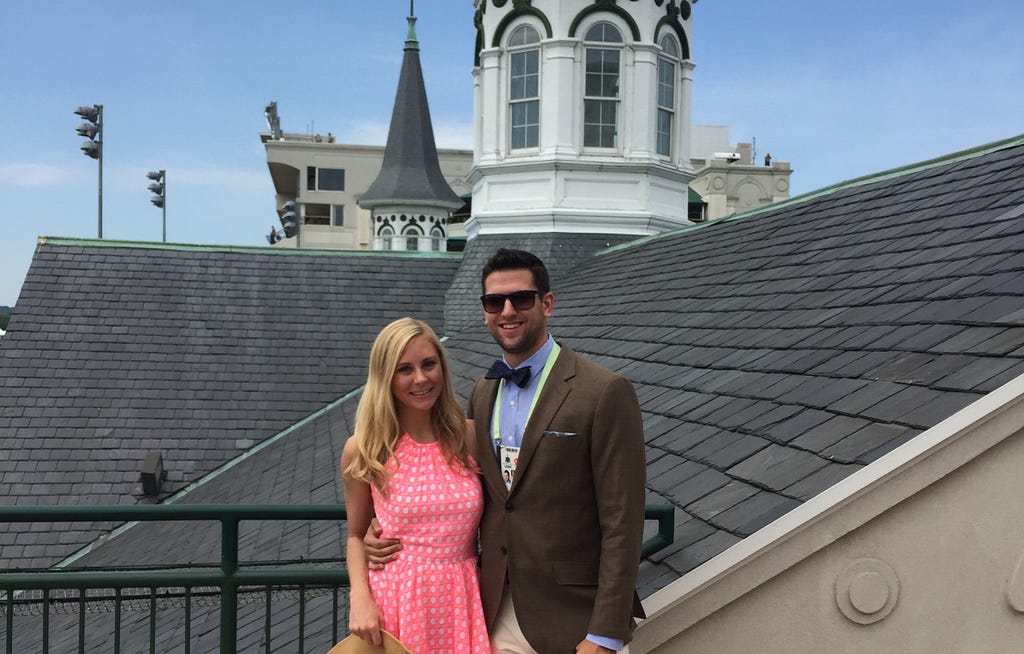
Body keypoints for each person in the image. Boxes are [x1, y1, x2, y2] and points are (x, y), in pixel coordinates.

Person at [369, 249, 647, 654]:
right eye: (494, 301)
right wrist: (374, 535)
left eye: (522, 298)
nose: (507, 310)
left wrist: (603, 635)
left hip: (573, 618)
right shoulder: (483, 392)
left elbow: (623, 520)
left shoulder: (603, 391)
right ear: (484, 311)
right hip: (490, 612)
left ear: (547, 303)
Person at [341, 317, 490, 654]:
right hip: (395, 604)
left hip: (462, 598)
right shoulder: (365, 449)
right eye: (404, 369)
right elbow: (354, 535)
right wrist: (359, 598)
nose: (420, 378)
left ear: (442, 366)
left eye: (428, 364)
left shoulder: (470, 437)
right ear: (386, 378)